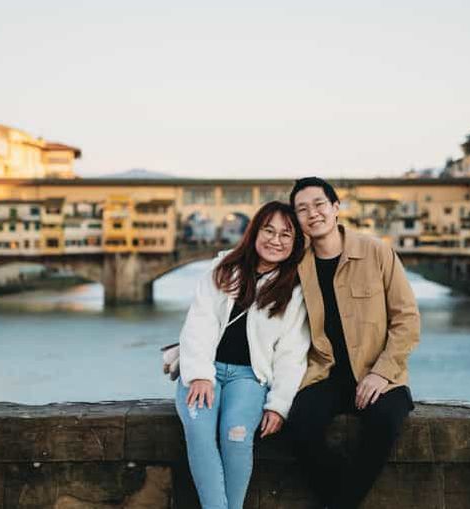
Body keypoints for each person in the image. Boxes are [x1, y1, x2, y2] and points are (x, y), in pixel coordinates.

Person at [287, 177, 420, 509]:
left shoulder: (376, 251)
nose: (312, 214)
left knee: (385, 424)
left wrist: (381, 373)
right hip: (324, 376)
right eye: (302, 209)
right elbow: (250, 296)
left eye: (319, 205)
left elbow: (407, 319)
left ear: (335, 208)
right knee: (299, 426)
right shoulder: (295, 264)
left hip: (380, 376)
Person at [175, 201, 311, 509]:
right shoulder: (222, 269)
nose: (276, 240)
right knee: (199, 431)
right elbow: (199, 322)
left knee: (236, 436)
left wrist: (279, 406)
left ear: (296, 243)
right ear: (255, 232)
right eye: (269, 230)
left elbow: (292, 353)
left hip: (249, 377)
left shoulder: (294, 290)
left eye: (286, 235)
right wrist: (198, 374)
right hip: (203, 371)